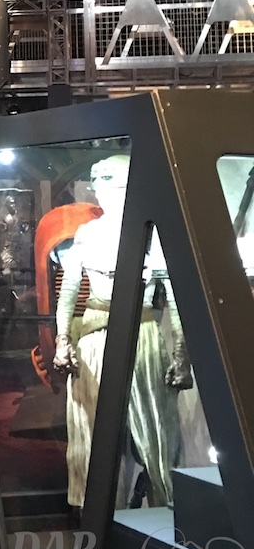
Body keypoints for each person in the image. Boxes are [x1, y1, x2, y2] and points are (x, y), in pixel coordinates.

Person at [52, 154, 192, 510]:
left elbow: (173, 295)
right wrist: (63, 340)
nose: (105, 194)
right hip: (94, 342)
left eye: (112, 186)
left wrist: (181, 353)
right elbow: (69, 292)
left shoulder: (153, 236)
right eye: (101, 186)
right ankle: (96, 519)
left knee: (156, 433)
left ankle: (165, 513)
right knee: (90, 433)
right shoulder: (88, 233)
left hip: (141, 339)